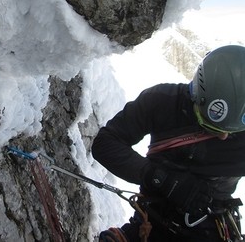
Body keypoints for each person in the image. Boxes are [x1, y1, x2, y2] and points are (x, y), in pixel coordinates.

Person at [92, 45, 245, 242]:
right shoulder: (161, 103)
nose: (224, 136)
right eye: (213, 126)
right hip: (149, 223)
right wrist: (160, 179)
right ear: (197, 97)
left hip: (209, 230)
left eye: (231, 131)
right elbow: (105, 143)